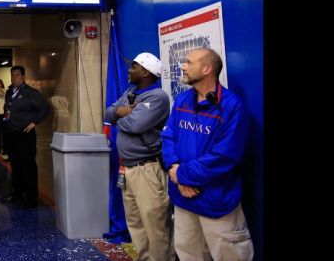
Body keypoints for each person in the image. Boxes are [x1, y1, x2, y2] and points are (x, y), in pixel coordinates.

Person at [161, 48, 254, 260]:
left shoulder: (231, 106)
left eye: (188, 62)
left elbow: (224, 156)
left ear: (207, 69)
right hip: (184, 198)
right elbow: (168, 137)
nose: (183, 66)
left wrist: (182, 175)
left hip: (216, 201)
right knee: (187, 253)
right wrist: (175, 169)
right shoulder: (183, 100)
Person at [103, 53, 172, 261]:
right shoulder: (131, 91)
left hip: (147, 169)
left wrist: (120, 117)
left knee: (155, 225)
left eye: (133, 66)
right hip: (128, 168)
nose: (129, 70)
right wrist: (121, 113)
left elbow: (135, 125)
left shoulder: (157, 97)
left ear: (145, 72)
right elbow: (108, 113)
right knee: (135, 222)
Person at [1, 65, 49, 208]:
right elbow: (7, 109)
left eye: (17, 75)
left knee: (27, 166)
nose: (14, 77)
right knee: (15, 165)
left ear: (23, 77)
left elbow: (45, 107)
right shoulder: (9, 92)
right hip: (11, 134)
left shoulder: (30, 92)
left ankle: (31, 198)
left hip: (24, 135)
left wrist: (34, 122)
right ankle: (17, 194)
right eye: (12, 75)